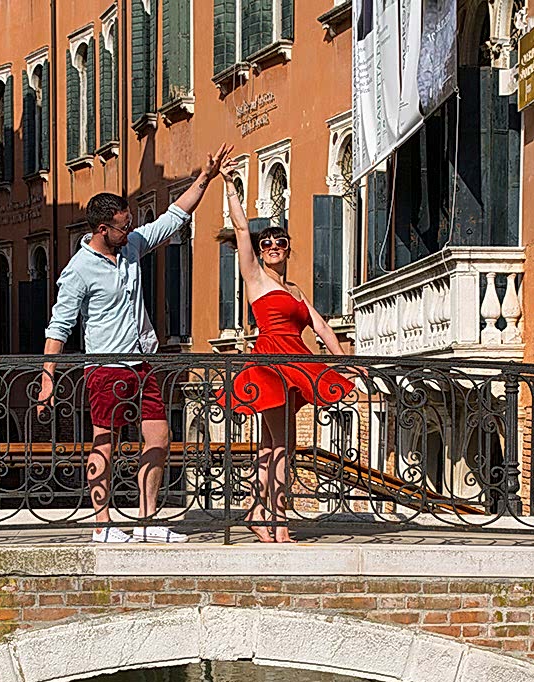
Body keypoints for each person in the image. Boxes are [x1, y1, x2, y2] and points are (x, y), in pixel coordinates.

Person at [38, 144, 231, 543]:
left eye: (130, 225)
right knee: (105, 442)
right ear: (102, 229)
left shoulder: (132, 248)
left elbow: (175, 216)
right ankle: (102, 524)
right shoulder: (78, 271)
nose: (130, 231)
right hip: (104, 367)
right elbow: (58, 327)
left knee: (158, 436)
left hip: (141, 362)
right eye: (123, 226)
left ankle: (147, 521)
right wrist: (46, 379)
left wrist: (206, 176)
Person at [218, 181, 353, 543]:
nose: (273, 247)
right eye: (267, 244)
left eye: (279, 243)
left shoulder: (295, 291)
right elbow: (243, 229)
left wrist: (342, 362)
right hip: (270, 365)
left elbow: (321, 326)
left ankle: (256, 510)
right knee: (282, 443)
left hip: (296, 364)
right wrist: (230, 186)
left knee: (274, 444)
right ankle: (277, 520)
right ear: (260, 252)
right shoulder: (255, 278)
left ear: (289, 249)